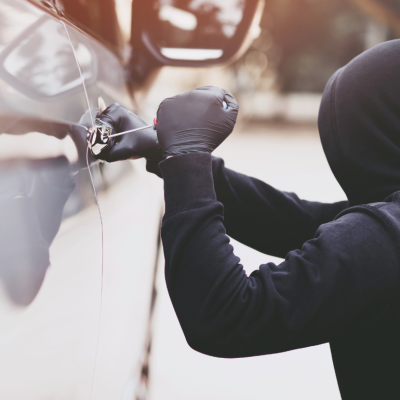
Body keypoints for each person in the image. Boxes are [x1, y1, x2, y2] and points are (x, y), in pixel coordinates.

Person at [89, 42, 400, 399]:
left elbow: (224, 312)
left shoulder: (386, 241)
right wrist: (165, 152)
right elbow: (290, 220)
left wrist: (187, 155)